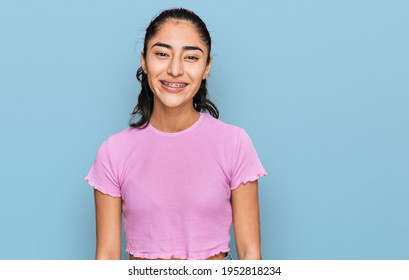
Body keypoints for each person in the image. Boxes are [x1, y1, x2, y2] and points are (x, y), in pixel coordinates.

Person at [85, 8, 266, 260]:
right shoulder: (113, 152)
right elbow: (106, 258)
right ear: (144, 61)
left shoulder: (234, 144)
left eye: (191, 57)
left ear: (206, 67)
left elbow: (250, 255)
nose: (175, 69)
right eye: (162, 54)